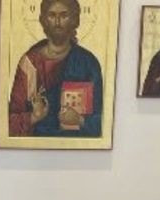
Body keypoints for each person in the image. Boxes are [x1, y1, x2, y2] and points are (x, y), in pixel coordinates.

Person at [8, 0, 103, 137]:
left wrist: (80, 120)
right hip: (36, 143)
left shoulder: (88, 63)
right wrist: (34, 117)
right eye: (52, 15)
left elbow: (103, 120)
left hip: (75, 144)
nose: (57, 22)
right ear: (43, 20)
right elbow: (9, 121)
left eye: (64, 15)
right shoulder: (30, 63)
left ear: (74, 20)